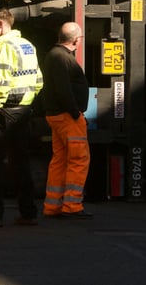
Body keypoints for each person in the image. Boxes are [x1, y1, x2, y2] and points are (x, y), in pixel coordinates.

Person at [0, 8, 43, 227]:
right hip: (22, 111)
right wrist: (27, 102)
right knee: (21, 163)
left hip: (2, 112)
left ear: (2, 25)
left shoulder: (3, 46)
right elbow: (38, 80)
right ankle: (28, 213)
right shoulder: (27, 46)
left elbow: (1, 79)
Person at [40, 21, 92, 219]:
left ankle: (52, 205)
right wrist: (76, 113)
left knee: (60, 160)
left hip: (57, 116)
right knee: (79, 159)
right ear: (77, 40)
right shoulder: (61, 57)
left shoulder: (54, 55)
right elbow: (64, 89)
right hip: (67, 117)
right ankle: (72, 205)